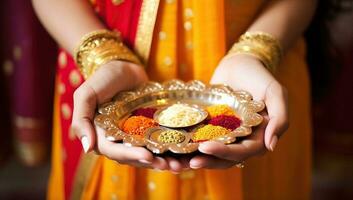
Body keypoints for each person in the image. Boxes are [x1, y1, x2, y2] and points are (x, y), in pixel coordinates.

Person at [32, 0, 315, 199]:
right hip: (108, 86)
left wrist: (257, 51)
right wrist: (102, 57)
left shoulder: (247, 102)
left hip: (255, 89)